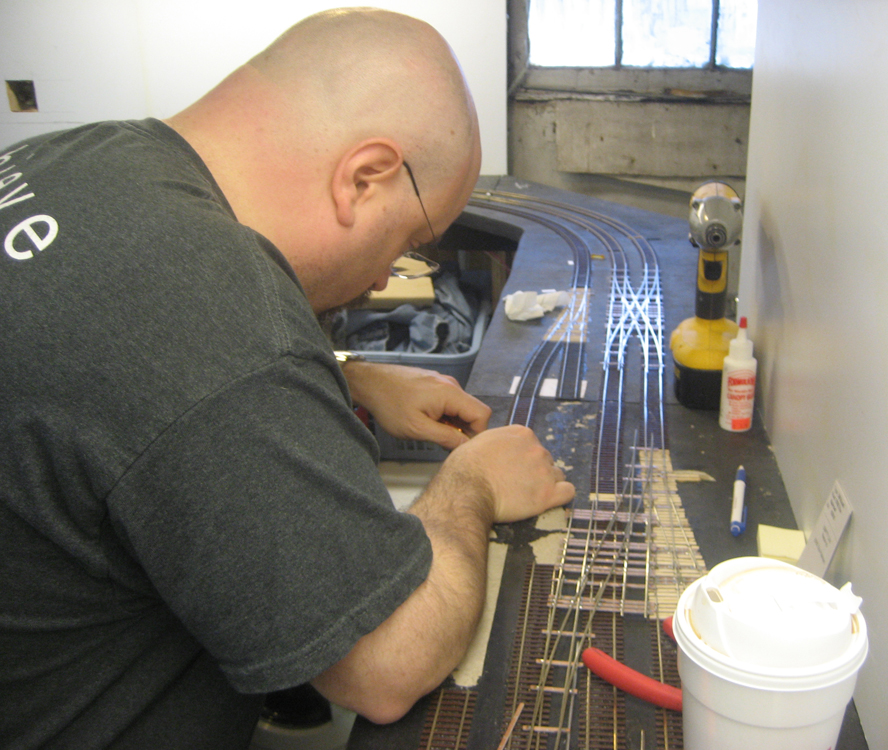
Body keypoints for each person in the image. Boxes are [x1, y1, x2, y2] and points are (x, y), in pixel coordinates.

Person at [0, 8, 575, 749]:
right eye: (408, 240)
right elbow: (386, 668)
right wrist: (472, 485)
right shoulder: (211, 306)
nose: (382, 278)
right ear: (364, 177)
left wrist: (344, 375)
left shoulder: (80, 158)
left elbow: (113, 378)